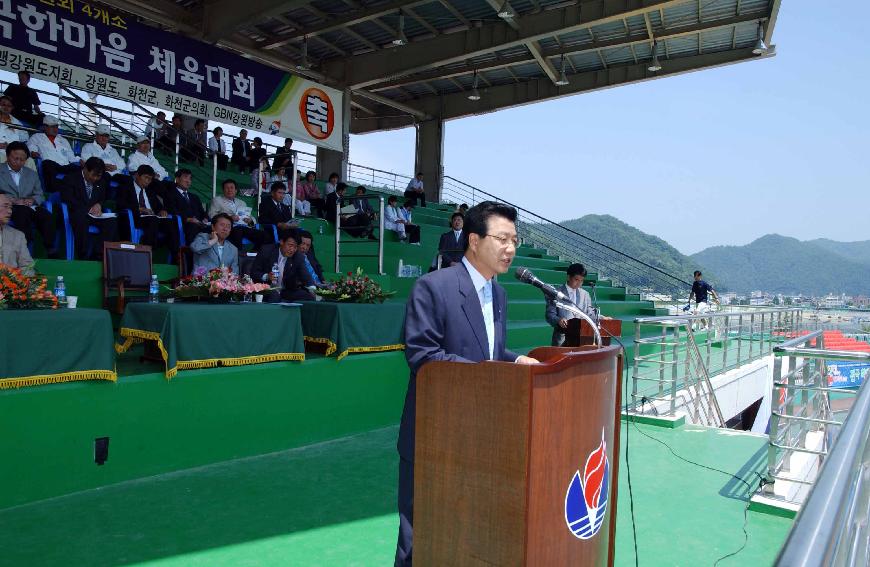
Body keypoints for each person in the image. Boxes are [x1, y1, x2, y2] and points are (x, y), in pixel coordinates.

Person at [394, 201, 539, 566]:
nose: (511, 248)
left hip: (481, 435)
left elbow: (489, 348)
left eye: (515, 240)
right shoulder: (433, 287)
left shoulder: (499, 293)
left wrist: (517, 359)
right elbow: (423, 356)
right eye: (503, 239)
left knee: (468, 533)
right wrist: (490, 372)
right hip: (435, 434)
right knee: (420, 537)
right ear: (474, 240)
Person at [58, 157, 119, 260]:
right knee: (81, 219)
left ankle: (97, 254)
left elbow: (102, 198)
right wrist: (87, 209)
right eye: (93, 175)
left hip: (93, 216)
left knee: (112, 223)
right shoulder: (71, 179)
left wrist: (99, 205)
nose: (95, 178)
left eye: (98, 176)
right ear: (85, 169)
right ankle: (83, 255)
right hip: (77, 213)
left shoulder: (101, 182)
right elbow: (68, 199)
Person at [0, 141, 55, 252]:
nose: (19, 162)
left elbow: (40, 194)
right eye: (15, 158)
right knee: (22, 214)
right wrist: (12, 200)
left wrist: (33, 200)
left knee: (47, 216)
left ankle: (50, 248)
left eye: (22, 159)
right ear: (7, 156)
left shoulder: (31, 174)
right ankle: (24, 247)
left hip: (29, 206)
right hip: (8, 206)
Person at [545, 263, 612, 347]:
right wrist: (558, 320)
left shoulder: (585, 295)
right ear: (569, 277)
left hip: (581, 340)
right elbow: (550, 315)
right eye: (576, 280)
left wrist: (602, 318)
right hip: (562, 341)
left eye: (581, 281)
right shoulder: (556, 293)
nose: (579, 283)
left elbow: (590, 314)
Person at [115, 164, 176, 251]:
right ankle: (149, 252)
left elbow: (158, 207)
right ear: (137, 175)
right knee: (153, 221)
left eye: (150, 179)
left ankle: (175, 255)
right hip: (136, 218)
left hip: (152, 219)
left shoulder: (150, 191)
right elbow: (121, 204)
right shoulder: (125, 187)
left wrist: (162, 211)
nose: (148, 181)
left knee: (171, 222)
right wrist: (139, 209)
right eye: (146, 177)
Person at [250, 229, 315, 302]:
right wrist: (267, 276)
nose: (292, 250)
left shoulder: (298, 256)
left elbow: (306, 276)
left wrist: (313, 289)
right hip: (267, 289)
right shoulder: (266, 251)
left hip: (286, 290)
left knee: (309, 297)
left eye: (295, 247)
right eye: (290, 245)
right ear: (281, 242)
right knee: (274, 296)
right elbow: (254, 273)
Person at [208, 179, 265, 250]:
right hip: (229, 228)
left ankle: (255, 253)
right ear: (223, 190)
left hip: (243, 227)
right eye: (227, 188)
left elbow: (251, 217)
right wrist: (229, 218)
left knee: (264, 235)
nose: (229, 190)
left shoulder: (242, 202)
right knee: (237, 231)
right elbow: (212, 215)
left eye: (232, 188)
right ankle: (238, 255)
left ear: (236, 190)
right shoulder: (217, 200)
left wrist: (250, 221)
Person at [27, 115, 79, 192]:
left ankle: (75, 193)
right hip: (50, 165)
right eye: (52, 127)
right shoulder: (36, 137)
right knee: (48, 164)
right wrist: (33, 152)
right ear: (45, 127)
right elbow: (31, 147)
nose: (55, 129)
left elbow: (71, 157)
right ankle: (52, 193)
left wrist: (80, 160)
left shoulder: (63, 140)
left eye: (56, 126)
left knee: (79, 169)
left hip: (65, 166)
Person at [166, 168, 210, 245]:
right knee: (192, 227)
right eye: (185, 177)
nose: (188, 181)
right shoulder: (170, 194)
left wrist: (205, 218)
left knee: (217, 228)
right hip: (183, 225)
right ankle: (191, 255)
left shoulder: (194, 197)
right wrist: (188, 219)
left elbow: (202, 212)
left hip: (199, 224)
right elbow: (172, 211)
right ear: (177, 179)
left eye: (190, 178)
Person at [0, 193, 35, 274]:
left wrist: (19, 282)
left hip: (11, 284)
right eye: (5, 206)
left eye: (10, 207)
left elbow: (28, 267)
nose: (10, 211)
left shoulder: (18, 236)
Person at [0, 96, 30, 160]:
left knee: (29, 161)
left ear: (12, 108)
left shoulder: (16, 122)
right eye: (3, 104)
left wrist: (16, 147)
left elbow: (25, 137)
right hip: (1, 152)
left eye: (9, 105)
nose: (6, 107)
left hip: (14, 152)